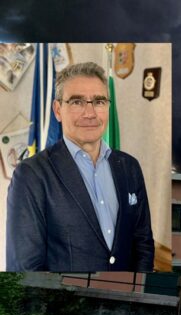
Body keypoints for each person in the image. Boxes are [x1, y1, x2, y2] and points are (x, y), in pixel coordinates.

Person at [6, 62, 154, 272]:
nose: (90, 113)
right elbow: (25, 270)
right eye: (77, 102)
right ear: (58, 110)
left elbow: (143, 246)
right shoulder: (32, 175)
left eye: (99, 101)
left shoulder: (129, 167)